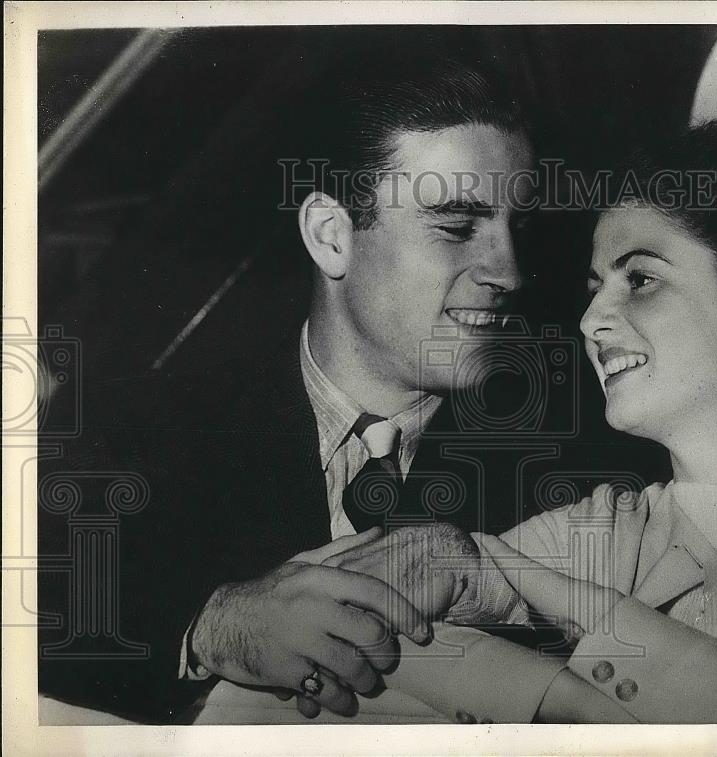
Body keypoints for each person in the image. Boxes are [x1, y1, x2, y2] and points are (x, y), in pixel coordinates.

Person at [328, 119, 717, 724]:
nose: (591, 321)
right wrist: (232, 621)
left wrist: (568, 606)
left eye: (639, 278)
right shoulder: (592, 531)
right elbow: (335, 630)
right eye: (593, 286)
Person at [37, 54, 598, 724]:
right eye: (456, 227)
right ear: (332, 237)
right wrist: (206, 625)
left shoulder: (582, 449)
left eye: (519, 227)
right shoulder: (137, 426)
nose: (509, 270)